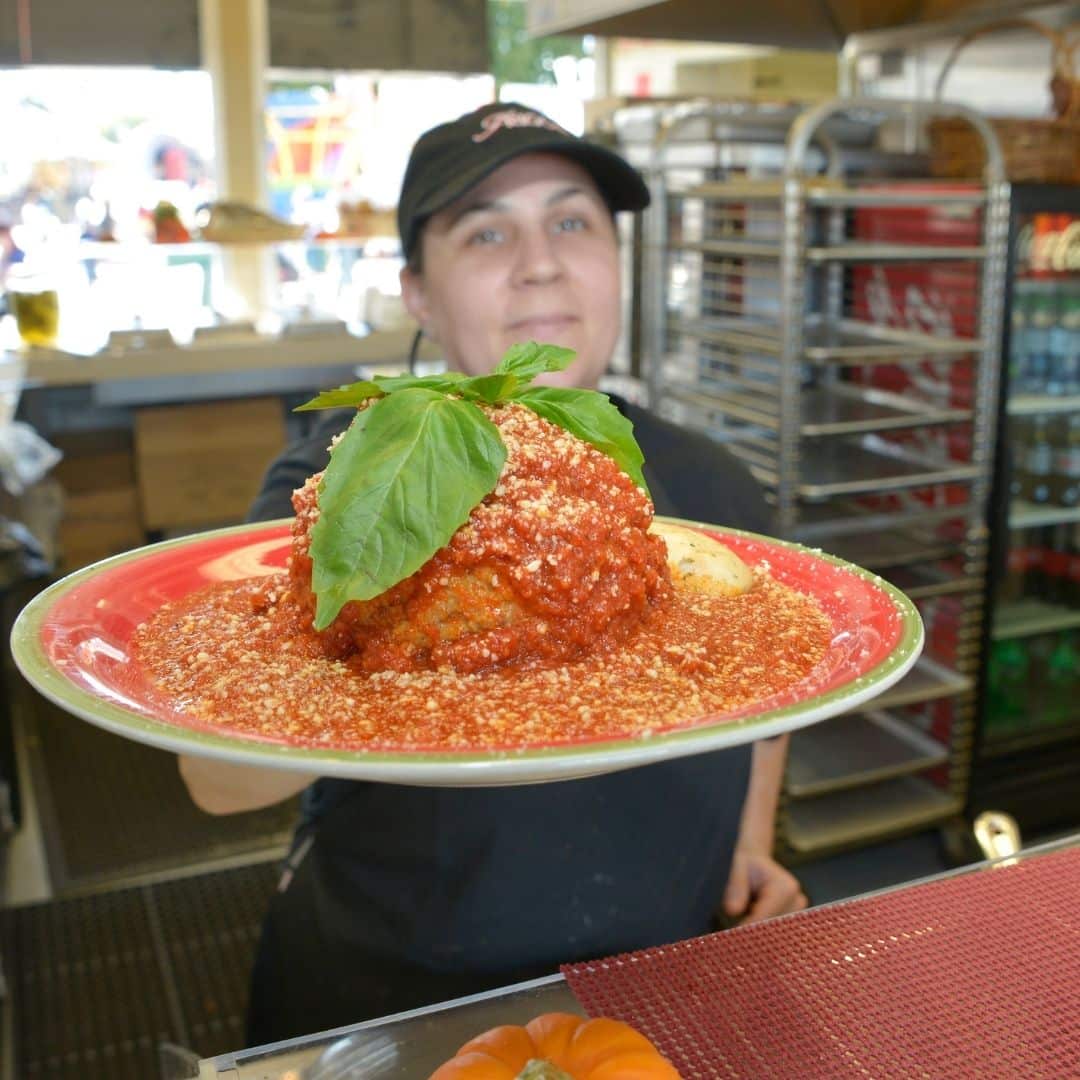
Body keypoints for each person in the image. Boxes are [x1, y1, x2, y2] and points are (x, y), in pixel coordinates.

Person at [179, 102, 806, 1047]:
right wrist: (385, 629)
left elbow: (776, 690)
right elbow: (213, 781)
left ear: (617, 263)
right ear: (418, 295)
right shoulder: (349, 479)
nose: (541, 260)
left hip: (668, 971)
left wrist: (751, 841)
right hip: (400, 998)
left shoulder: (713, 481)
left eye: (571, 221)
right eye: (485, 231)